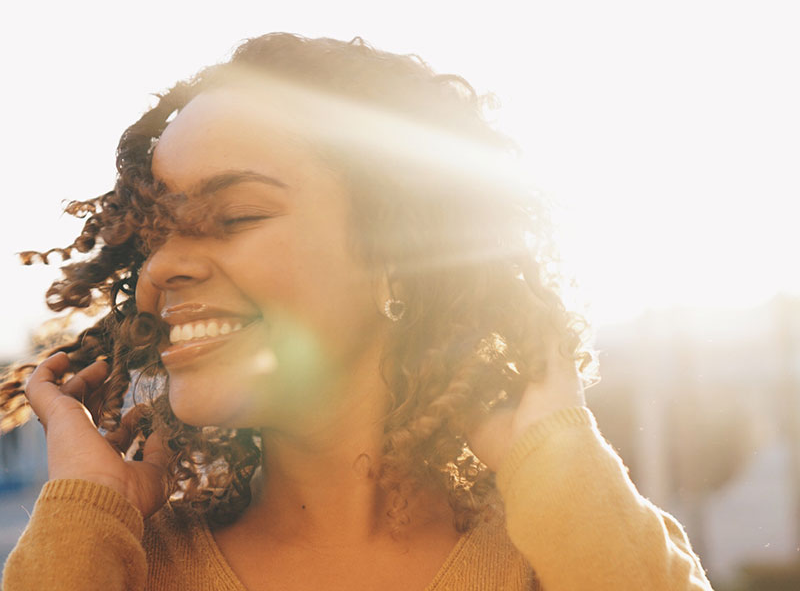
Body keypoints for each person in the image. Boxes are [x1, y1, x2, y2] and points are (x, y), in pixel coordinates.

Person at [0, 33, 713, 590]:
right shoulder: (110, 566)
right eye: (155, 232)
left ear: (399, 249)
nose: (162, 268)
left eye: (236, 216)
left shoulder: (567, 553)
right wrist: (86, 515)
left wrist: (557, 461)